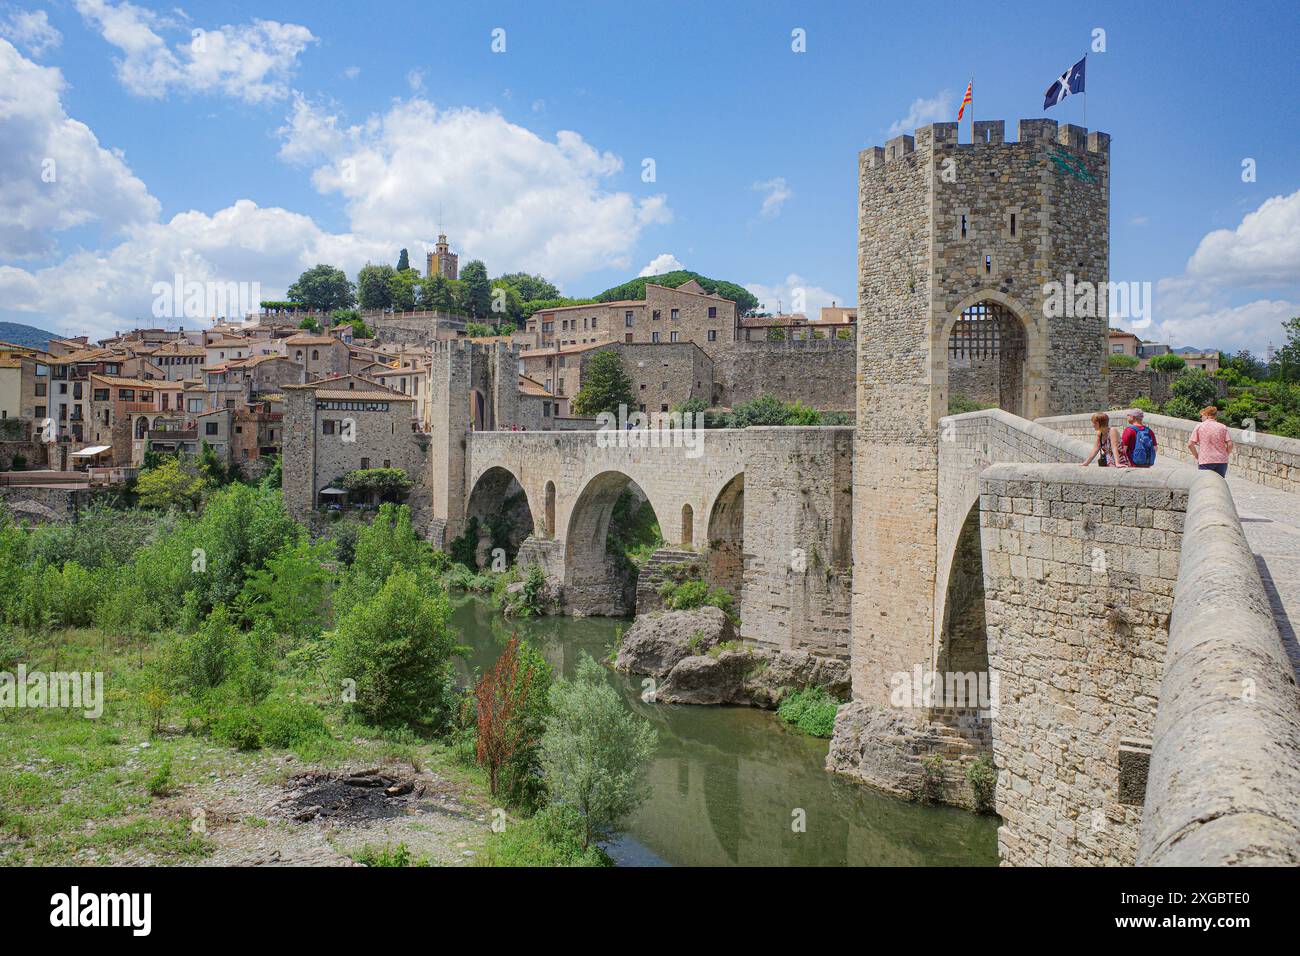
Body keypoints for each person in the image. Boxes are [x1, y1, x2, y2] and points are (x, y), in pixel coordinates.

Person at [1188, 405, 1233, 477]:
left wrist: (1197, 456)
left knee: (1205, 483)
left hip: (1205, 460)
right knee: (1219, 483)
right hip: (1221, 461)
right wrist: (1225, 454)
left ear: (1207, 415)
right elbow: (1230, 444)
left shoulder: (1199, 426)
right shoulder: (1222, 427)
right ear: (1215, 415)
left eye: (1203, 415)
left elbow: (1190, 444)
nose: (1202, 417)